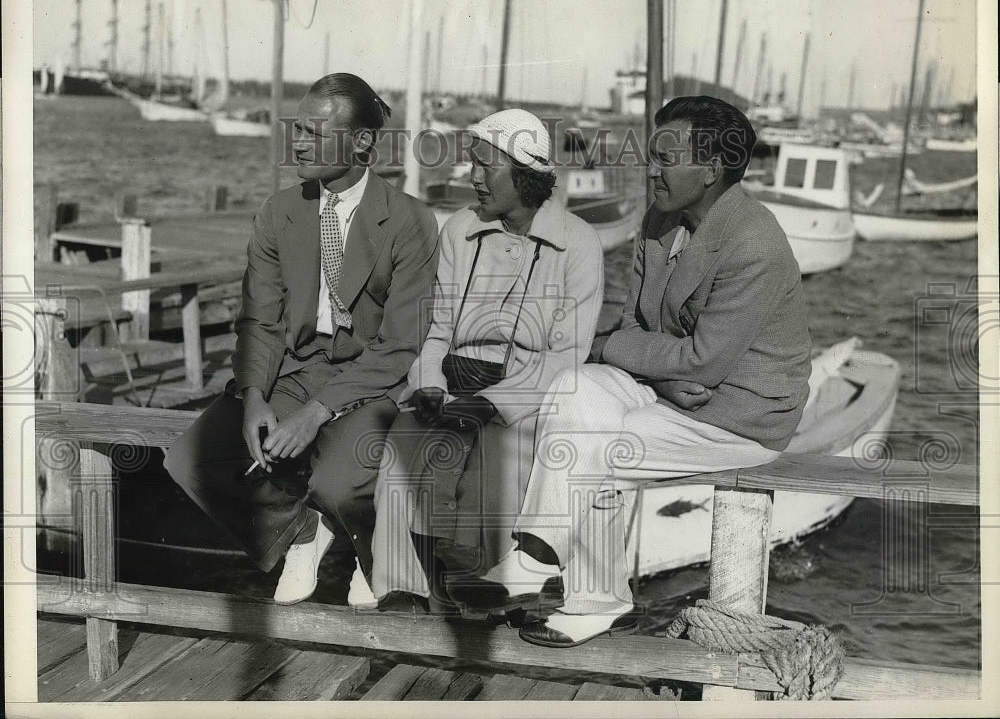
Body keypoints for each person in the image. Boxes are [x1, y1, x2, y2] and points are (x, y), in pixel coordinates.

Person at [458, 95, 812, 645]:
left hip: (737, 415)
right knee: (574, 386)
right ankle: (539, 559)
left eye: (666, 159)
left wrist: (645, 356)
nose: (651, 169)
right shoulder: (659, 221)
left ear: (712, 170)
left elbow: (705, 361)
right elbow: (633, 327)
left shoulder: (754, 243)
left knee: (597, 441)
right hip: (669, 389)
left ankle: (590, 596)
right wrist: (655, 366)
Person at [164, 73, 440, 607]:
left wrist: (316, 413)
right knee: (190, 460)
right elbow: (259, 322)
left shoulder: (410, 220)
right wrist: (254, 398)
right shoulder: (278, 213)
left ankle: (371, 551)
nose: (299, 143)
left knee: (337, 484)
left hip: (370, 380)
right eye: (298, 129)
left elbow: (400, 344)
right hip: (294, 371)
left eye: (315, 132)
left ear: (361, 142)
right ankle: (304, 530)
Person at [369, 108, 604, 612]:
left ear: (525, 175)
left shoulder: (579, 244)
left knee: (498, 472)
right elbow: (435, 330)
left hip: (524, 394)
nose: (472, 178)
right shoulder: (459, 230)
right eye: (472, 165)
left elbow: (568, 356)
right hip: (450, 382)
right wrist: (429, 382)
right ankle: (405, 592)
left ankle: (491, 602)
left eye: (486, 167)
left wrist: (489, 405)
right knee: (401, 454)